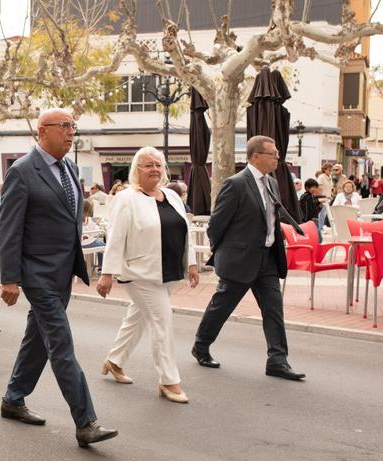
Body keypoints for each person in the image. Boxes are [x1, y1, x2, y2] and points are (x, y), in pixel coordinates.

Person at [0, 108, 117, 448]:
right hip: (36, 274)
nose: (70, 132)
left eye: (73, 127)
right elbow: (9, 230)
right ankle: (85, 421)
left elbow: (69, 219)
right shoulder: (22, 172)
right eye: (64, 126)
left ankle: (13, 398)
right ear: (42, 131)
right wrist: (10, 278)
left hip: (62, 272)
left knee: (37, 339)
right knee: (61, 345)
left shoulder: (70, 167)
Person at [192, 135, 305, 381]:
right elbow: (217, 224)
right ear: (255, 157)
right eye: (272, 154)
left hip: (268, 259)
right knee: (221, 307)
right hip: (240, 259)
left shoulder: (272, 183)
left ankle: (277, 360)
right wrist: (224, 252)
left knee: (274, 310)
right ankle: (201, 345)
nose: (277, 158)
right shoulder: (236, 184)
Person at [97, 146, 199, 403]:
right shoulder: (126, 198)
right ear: (136, 169)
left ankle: (115, 360)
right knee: (162, 321)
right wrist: (107, 273)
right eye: (147, 165)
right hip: (139, 272)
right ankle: (169, 381)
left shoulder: (171, 196)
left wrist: (192, 264)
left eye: (158, 164)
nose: (154, 169)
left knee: (139, 317)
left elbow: (185, 230)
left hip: (168, 271)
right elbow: (116, 237)